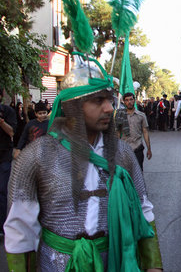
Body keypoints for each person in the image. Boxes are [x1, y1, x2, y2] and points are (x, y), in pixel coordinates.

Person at [4, 58, 162, 271]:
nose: (108, 108)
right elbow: (19, 230)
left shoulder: (122, 153)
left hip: (112, 262)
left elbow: (144, 213)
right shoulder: (37, 155)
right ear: (72, 106)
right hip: (56, 264)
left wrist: (154, 266)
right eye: (98, 100)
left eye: (109, 99)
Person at [118, 92, 152, 171]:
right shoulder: (120, 115)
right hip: (124, 150)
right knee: (125, 174)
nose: (129, 102)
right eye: (126, 100)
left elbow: (145, 132)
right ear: (124, 102)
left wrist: (149, 149)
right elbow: (117, 133)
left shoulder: (141, 115)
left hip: (137, 148)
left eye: (131, 99)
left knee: (138, 173)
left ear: (134, 100)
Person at [0, 88, 17, 238]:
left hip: (4, 156)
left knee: (2, 191)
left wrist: (1, 121)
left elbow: (12, 132)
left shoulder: (7, 112)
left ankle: (2, 227)